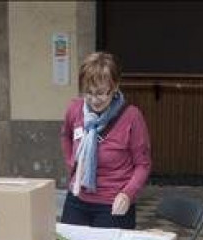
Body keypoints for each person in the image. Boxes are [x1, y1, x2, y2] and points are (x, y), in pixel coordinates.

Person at [60, 51, 151, 229]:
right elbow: (66, 136)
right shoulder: (75, 109)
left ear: (115, 86)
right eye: (88, 93)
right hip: (78, 198)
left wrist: (127, 194)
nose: (94, 100)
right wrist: (72, 163)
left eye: (101, 93)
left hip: (113, 203)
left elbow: (143, 164)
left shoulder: (131, 117)